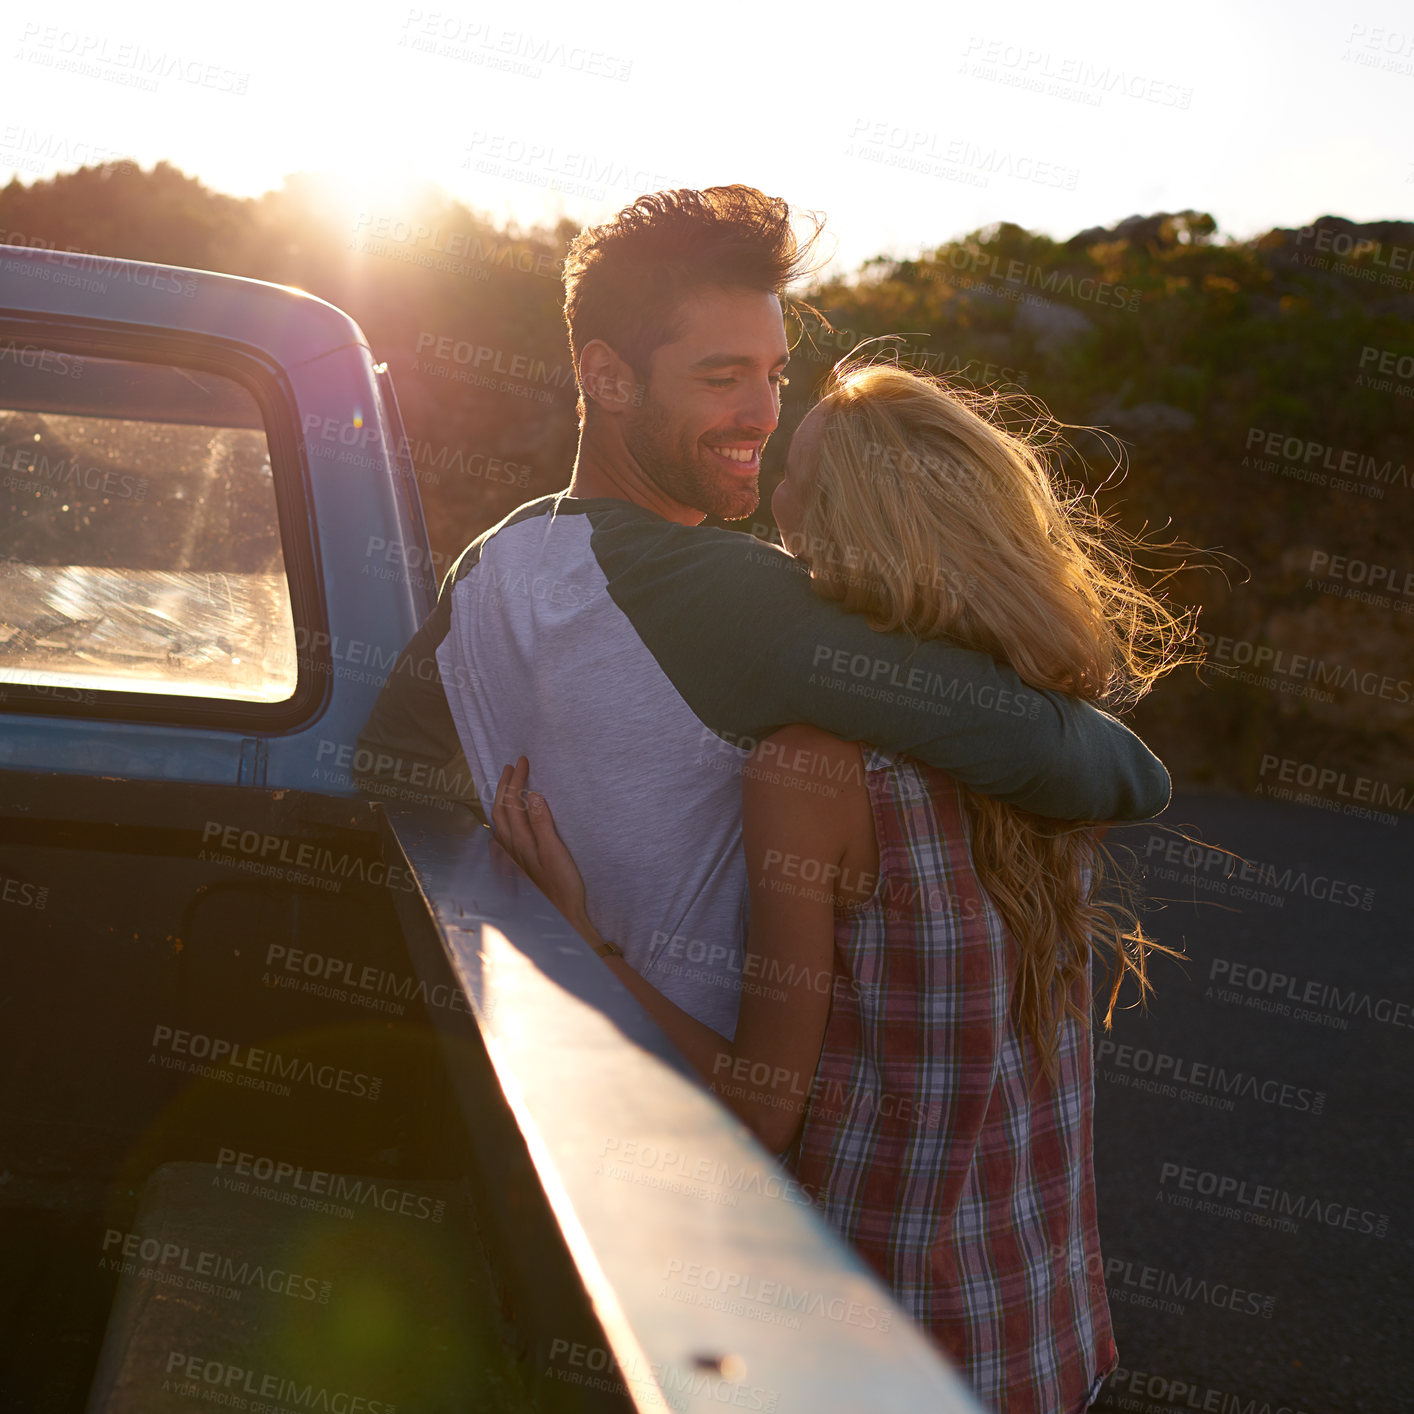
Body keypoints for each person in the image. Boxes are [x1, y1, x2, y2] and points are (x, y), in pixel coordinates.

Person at [489, 358, 1197, 1412]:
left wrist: (580, 941)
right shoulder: (1043, 738)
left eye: (800, 480)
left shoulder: (812, 768)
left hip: (874, 1341)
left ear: (855, 525)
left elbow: (762, 1108)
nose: (773, 502)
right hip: (1039, 1335)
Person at [355, 184, 1171, 1038]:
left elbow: (390, 778)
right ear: (606, 376)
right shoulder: (730, 595)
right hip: (715, 1134)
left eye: (774, 374)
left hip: (545, 1076)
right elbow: (1102, 768)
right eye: (722, 377)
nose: (764, 414)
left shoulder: (489, 564)